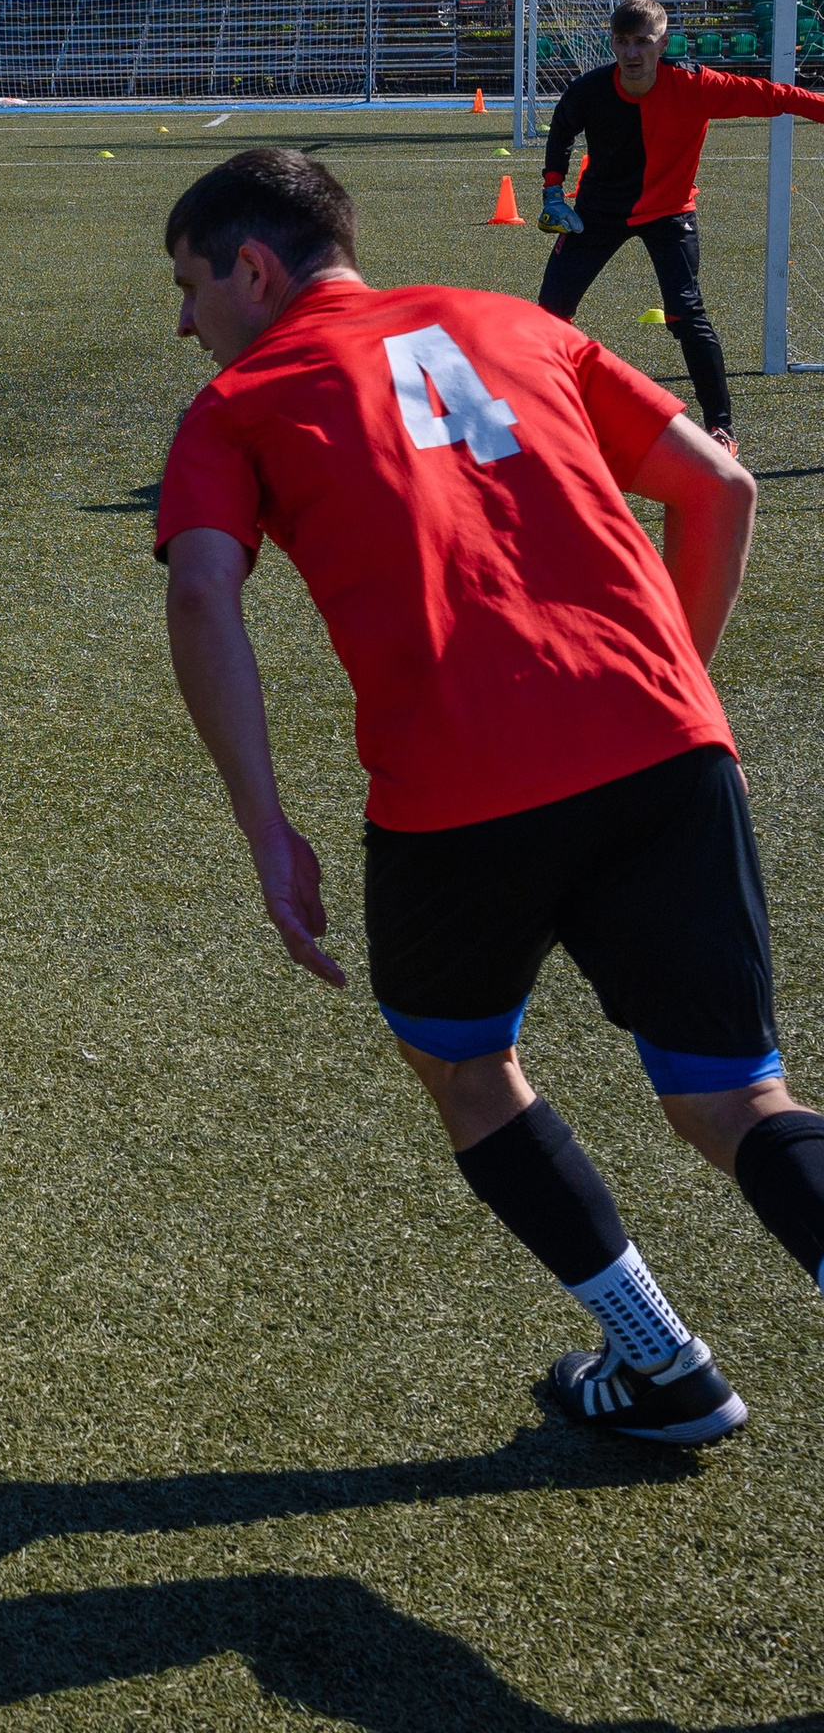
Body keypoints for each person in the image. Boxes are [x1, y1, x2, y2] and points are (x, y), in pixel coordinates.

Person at [158, 145, 824, 1445]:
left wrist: (263, 823)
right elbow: (721, 488)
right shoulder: (518, 323)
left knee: (462, 1064)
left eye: (188, 284)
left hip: (458, 790)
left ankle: (665, 1368)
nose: (185, 321)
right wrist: (673, 679)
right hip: (665, 746)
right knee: (737, 1102)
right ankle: (662, 1372)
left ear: (253, 265)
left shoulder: (240, 402)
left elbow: (200, 594)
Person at [539, 0, 824, 453]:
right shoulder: (590, 90)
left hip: (670, 214)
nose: (633, 53)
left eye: (643, 42)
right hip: (595, 214)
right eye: (623, 41)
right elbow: (563, 124)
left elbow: (777, 97)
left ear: (663, 42)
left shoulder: (696, 85)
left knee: (686, 316)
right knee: (549, 316)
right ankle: (542, 414)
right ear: (612, 43)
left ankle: (722, 429)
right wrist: (554, 189)